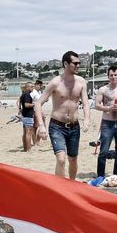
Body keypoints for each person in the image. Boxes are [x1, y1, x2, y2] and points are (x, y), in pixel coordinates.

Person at [35, 51, 90, 180]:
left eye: (79, 63)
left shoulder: (81, 82)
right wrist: (41, 126)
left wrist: (87, 119)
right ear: (66, 64)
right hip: (57, 126)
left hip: (74, 126)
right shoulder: (55, 83)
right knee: (61, 159)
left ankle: (71, 184)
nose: (78, 65)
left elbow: (86, 104)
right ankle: (60, 187)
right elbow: (38, 104)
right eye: (75, 63)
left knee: (73, 159)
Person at [95, 66, 117, 177]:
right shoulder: (103, 89)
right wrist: (108, 108)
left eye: (115, 75)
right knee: (104, 151)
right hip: (107, 123)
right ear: (108, 76)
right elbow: (96, 105)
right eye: (111, 75)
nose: (113, 77)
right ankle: (100, 175)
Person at [19, 82, 35, 152]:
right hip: (28, 116)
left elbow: (20, 103)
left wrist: (20, 109)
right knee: (29, 133)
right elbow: (26, 105)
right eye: (31, 87)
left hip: (25, 115)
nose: (32, 88)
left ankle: (25, 148)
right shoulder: (27, 95)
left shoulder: (23, 94)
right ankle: (28, 149)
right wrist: (34, 104)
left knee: (25, 133)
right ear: (27, 87)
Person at [31, 80, 44, 146]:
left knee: (41, 126)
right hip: (34, 111)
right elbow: (30, 101)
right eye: (39, 85)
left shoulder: (39, 92)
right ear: (36, 85)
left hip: (39, 110)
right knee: (35, 127)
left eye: (41, 86)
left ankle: (37, 141)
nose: (40, 87)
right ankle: (35, 142)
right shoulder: (33, 92)